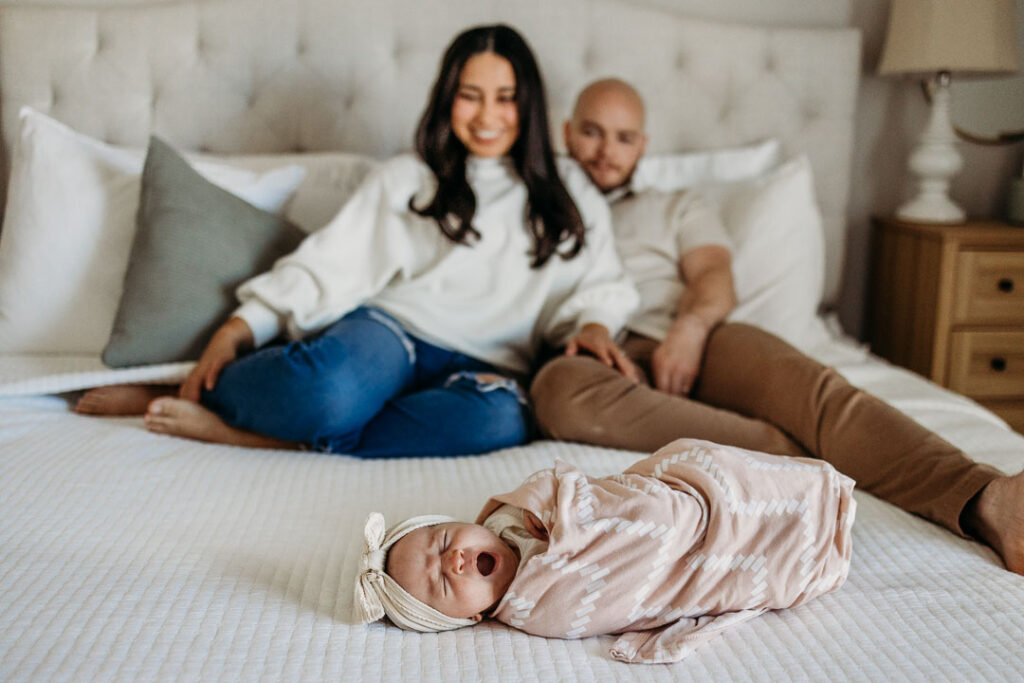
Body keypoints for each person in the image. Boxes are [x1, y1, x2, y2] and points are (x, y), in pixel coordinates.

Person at [529, 77, 1024, 575]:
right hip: (599, 358)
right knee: (554, 389)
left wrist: (691, 329)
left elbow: (714, 278)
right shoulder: (531, 209)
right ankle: (798, 452)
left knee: (815, 391)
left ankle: (988, 498)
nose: (605, 151)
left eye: (624, 137)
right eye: (592, 133)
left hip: (694, 337)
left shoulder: (677, 204)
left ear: (643, 145)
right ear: (568, 133)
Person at [75, 26, 639, 458]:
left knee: (500, 424)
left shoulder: (571, 195)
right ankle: (187, 391)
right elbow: (329, 265)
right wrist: (237, 328)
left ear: (530, 104)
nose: (488, 115)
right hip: (393, 334)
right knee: (329, 390)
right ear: (447, 99)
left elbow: (601, 286)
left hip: (488, 365)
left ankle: (259, 437)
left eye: (505, 97)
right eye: (471, 95)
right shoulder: (409, 179)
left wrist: (593, 325)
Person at [353, 437, 856, 664]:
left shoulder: (507, 517)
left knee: (688, 467)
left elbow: (569, 484)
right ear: (469, 618)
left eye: (443, 542)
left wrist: (562, 510)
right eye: (444, 582)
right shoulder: (536, 608)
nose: (454, 560)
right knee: (667, 522)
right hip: (671, 550)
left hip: (665, 495)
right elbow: (620, 593)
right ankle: (797, 532)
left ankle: (805, 498)